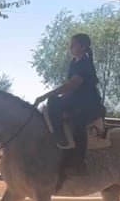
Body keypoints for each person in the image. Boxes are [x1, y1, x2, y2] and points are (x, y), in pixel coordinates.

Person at [34, 33, 105, 173]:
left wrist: (44, 96)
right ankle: (58, 136)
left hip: (90, 105)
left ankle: (79, 161)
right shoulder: (74, 62)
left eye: (73, 44)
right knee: (53, 102)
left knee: (79, 123)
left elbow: (71, 85)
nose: (70, 47)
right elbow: (69, 89)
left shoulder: (85, 64)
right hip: (76, 102)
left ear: (83, 47)